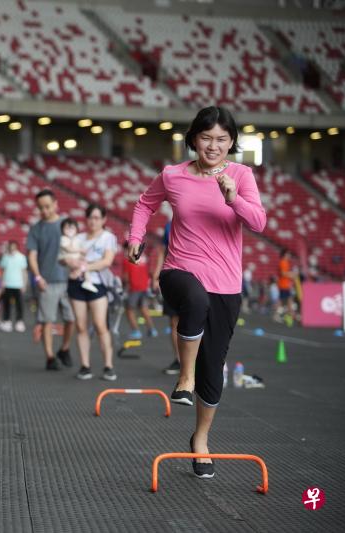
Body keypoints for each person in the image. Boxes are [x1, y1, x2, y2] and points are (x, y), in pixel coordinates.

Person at [128, 106, 266, 479]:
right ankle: (183, 376)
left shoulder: (242, 175)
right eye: (206, 137)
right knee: (194, 301)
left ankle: (200, 438)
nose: (213, 145)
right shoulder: (173, 175)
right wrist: (135, 238)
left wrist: (233, 198)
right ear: (193, 139)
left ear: (232, 143)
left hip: (226, 282)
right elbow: (144, 204)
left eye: (222, 139)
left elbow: (258, 221)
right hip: (180, 270)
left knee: (214, 370)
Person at [61, 204, 118, 381]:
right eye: (90, 218)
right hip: (76, 284)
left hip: (97, 284)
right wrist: (71, 263)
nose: (93, 221)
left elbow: (107, 261)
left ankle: (108, 365)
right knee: (81, 326)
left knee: (101, 325)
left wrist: (85, 266)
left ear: (103, 220)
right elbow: (64, 258)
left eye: (97, 218)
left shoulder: (108, 237)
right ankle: (85, 366)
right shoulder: (78, 237)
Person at [27, 189, 74, 370]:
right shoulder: (36, 229)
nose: (44, 211)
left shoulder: (67, 225)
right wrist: (37, 276)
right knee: (47, 320)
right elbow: (32, 255)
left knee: (72, 319)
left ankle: (64, 348)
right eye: (40, 208)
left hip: (69, 280)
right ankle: (49, 356)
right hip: (47, 281)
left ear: (55, 204)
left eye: (47, 206)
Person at [154, 220, 181, 375]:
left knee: (196, 321)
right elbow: (164, 251)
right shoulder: (169, 226)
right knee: (173, 321)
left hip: (195, 277)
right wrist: (157, 275)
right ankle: (178, 360)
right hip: (172, 276)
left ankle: (195, 361)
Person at [122, 241, 158, 339]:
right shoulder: (144, 258)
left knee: (129, 310)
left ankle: (136, 331)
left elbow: (125, 277)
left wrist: (123, 287)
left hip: (134, 288)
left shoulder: (127, 260)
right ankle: (152, 329)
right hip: (145, 286)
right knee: (144, 309)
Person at [58, 218, 98, 293]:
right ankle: (76, 275)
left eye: (72, 228)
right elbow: (69, 249)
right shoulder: (63, 239)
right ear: (62, 230)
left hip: (76, 258)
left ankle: (87, 281)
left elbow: (81, 249)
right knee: (79, 265)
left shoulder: (77, 239)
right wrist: (80, 251)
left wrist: (82, 254)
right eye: (67, 228)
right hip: (68, 258)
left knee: (85, 264)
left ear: (76, 229)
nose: (70, 230)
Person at [0, 240, 28, 332]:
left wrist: (24, 284)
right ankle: (7, 321)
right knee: (6, 304)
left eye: (14, 247)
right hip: (7, 283)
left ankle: (19, 321)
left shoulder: (21, 257)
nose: (12, 248)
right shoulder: (5, 257)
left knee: (19, 304)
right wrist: (1, 282)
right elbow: (2, 271)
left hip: (18, 284)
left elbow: (24, 272)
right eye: (11, 246)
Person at [275, 249, 296, 321]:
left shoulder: (286, 262)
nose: (289, 255)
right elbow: (283, 273)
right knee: (282, 300)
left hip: (286, 285)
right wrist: (291, 275)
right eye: (288, 254)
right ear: (284, 254)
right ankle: (278, 315)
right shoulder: (283, 262)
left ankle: (291, 315)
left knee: (288, 300)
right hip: (283, 285)